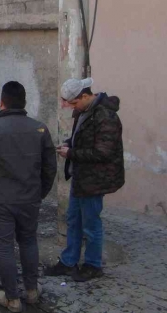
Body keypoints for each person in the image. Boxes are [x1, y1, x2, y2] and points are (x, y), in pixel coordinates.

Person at [0, 82, 57, 312]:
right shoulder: (40, 128)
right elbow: (50, 168)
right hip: (29, 199)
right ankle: (31, 291)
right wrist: (39, 192)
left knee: (4, 247)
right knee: (29, 241)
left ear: (2, 101)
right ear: (24, 102)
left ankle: (12, 299)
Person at [45, 78, 124, 282]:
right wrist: (69, 144)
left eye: (71, 103)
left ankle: (93, 265)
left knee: (90, 225)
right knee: (73, 220)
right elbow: (81, 138)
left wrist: (71, 153)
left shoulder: (106, 116)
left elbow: (103, 152)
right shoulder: (84, 111)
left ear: (85, 96)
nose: (68, 107)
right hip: (81, 176)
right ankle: (69, 261)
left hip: (95, 179)